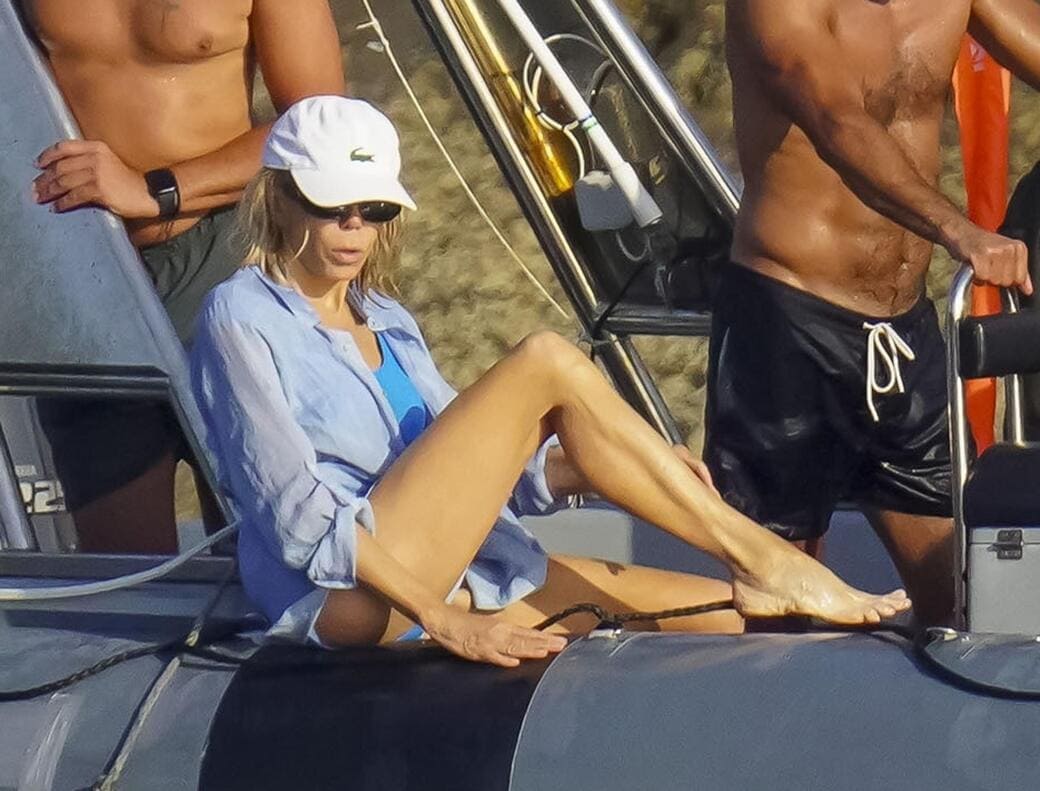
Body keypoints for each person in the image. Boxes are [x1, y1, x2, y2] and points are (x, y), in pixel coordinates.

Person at [190, 95, 909, 666]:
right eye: (331, 205)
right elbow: (296, 515)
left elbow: (484, 477)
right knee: (545, 359)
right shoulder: (239, 315)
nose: (354, 226)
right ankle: (766, 557)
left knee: (732, 619)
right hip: (348, 598)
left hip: (460, 572)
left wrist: (605, 466)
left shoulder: (388, 319)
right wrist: (444, 622)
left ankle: (771, 593)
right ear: (279, 197)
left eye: (374, 209)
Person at [712, 0, 1040, 627]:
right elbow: (838, 122)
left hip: (905, 334)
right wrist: (958, 229)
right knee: (779, 618)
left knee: (972, 608)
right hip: (789, 326)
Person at [19, 0, 345, 553]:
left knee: (279, 541)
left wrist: (156, 190)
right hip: (87, 269)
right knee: (125, 567)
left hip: (229, 251)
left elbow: (321, 125)